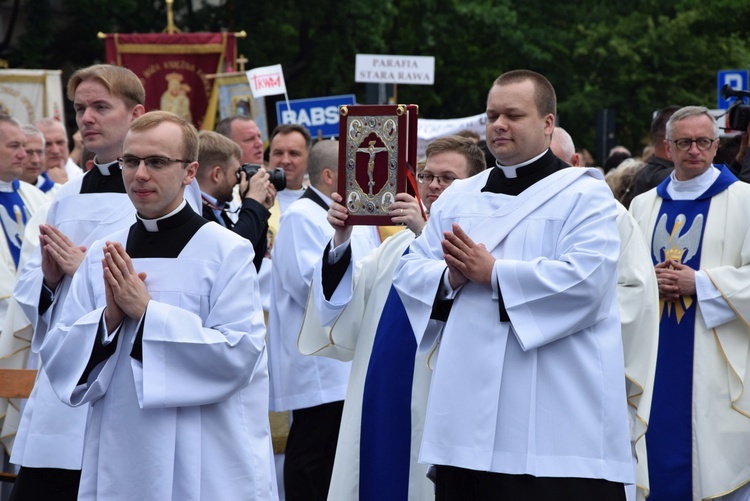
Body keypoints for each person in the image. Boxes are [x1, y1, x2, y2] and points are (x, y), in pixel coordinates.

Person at [393, 69, 633, 500]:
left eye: (513, 115)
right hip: (465, 417)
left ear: (547, 124)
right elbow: (410, 271)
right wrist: (450, 277)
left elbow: (587, 282)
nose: (498, 125)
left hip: (555, 419)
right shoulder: (458, 196)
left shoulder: (584, 195)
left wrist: (495, 273)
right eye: (491, 115)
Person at [39, 110, 276, 500]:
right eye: (131, 161)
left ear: (189, 171)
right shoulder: (104, 252)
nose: (140, 174)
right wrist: (108, 323)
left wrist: (148, 314)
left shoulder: (227, 251)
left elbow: (241, 353)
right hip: (123, 448)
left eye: (157, 162)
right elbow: (62, 358)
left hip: (205, 453)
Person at [299, 135, 486, 501]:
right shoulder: (394, 246)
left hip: (438, 404)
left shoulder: (481, 249)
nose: (433, 186)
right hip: (379, 397)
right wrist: (341, 239)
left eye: (447, 178)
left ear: (474, 185)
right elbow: (344, 310)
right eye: (427, 176)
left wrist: (424, 232)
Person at [11, 64, 149, 500]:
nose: (86, 118)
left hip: (124, 380)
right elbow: (29, 288)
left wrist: (87, 267)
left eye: (100, 107)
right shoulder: (63, 197)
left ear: (135, 114)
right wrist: (50, 281)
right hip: (62, 382)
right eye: (80, 108)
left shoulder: (158, 195)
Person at [629, 105, 750, 501]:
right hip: (653, 352)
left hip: (715, 360)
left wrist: (699, 282)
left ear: (718, 146)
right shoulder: (642, 206)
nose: (693, 150)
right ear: (668, 145)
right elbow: (623, 278)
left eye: (703, 142)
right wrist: (652, 282)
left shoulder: (744, 201)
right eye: (684, 142)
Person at [267, 139, 379, 501]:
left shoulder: (350, 215)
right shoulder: (301, 216)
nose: (365, 181)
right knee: (311, 460)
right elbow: (308, 286)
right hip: (317, 363)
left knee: (334, 462)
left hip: (346, 359)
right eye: (355, 173)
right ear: (330, 175)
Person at [552, 126, 659, 501]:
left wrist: (564, 313)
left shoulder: (610, 214)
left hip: (584, 368)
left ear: (575, 162)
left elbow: (636, 294)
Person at [196, 130, 274, 271]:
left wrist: (260, 209)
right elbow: (232, 253)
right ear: (217, 174)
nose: (239, 180)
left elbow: (249, 264)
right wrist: (253, 203)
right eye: (237, 173)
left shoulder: (216, 209)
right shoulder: (195, 211)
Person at [631, 105, 680, 197]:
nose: (695, 149)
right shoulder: (672, 177)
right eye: (686, 141)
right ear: (668, 143)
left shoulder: (644, 174)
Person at [34, 118, 83, 183]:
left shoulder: (83, 179)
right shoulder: (24, 179)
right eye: (47, 144)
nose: (55, 151)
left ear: (67, 144)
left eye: (60, 143)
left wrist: (61, 186)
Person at [18, 125, 61, 199]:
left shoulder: (58, 193)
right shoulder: (6, 192)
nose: (35, 160)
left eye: (39, 152)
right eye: (28, 152)